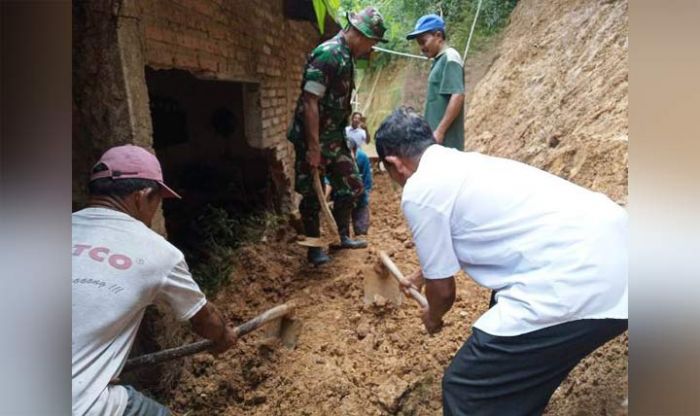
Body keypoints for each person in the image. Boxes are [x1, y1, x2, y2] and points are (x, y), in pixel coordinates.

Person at [375, 107, 628, 416]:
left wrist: (433, 316)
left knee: (467, 389)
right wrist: (421, 276)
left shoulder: (419, 190)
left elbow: (444, 293)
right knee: (503, 325)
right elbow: (463, 235)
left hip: (579, 281)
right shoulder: (461, 164)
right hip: (624, 260)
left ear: (394, 163)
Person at [72, 145, 237, 416]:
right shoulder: (157, 251)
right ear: (142, 197)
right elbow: (205, 321)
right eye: (157, 202)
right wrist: (223, 335)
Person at [287, 6, 387, 265]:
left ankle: (341, 236)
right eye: (371, 42)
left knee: (352, 186)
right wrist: (313, 148)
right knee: (311, 193)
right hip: (314, 139)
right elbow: (310, 102)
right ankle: (315, 248)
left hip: (333, 138)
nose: (370, 48)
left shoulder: (347, 55)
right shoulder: (329, 53)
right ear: (359, 34)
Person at [407, 14, 465, 150]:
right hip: (435, 140)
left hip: (447, 143)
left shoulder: (450, 58)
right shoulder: (439, 61)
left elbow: (457, 96)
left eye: (423, 41)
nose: (421, 47)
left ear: (438, 36)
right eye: (419, 43)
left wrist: (440, 131)